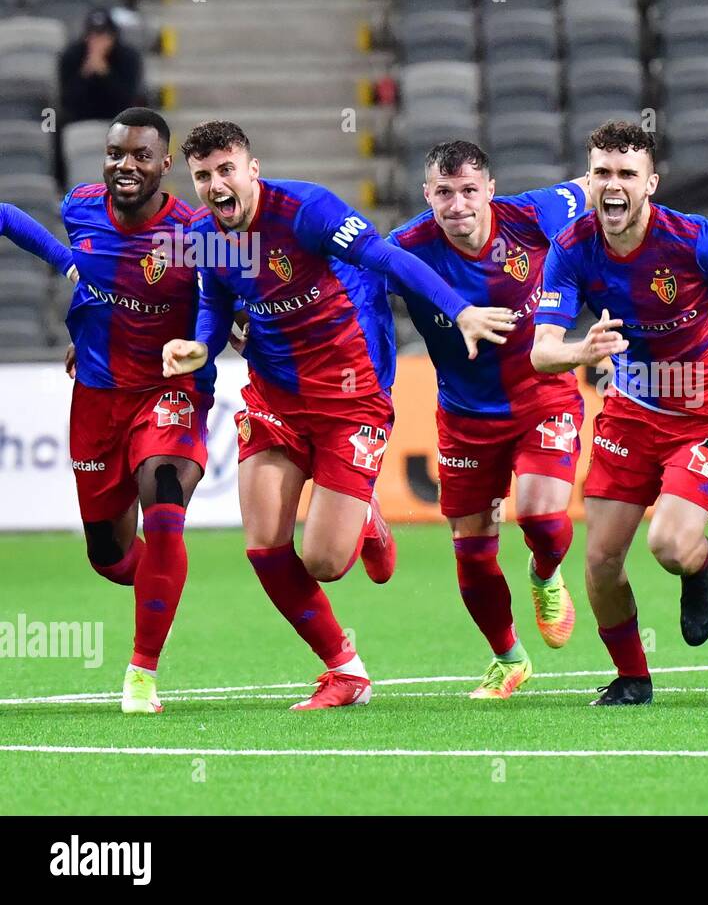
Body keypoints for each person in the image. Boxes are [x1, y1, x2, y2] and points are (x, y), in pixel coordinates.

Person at [161, 121, 516, 710]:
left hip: (351, 394)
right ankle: (344, 671)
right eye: (203, 176)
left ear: (252, 169)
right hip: (274, 394)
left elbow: (386, 259)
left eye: (227, 170)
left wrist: (459, 311)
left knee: (324, 562)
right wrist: (201, 344)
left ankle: (368, 519)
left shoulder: (306, 210)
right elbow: (216, 300)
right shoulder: (204, 235)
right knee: (263, 546)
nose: (216, 184)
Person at [532, 120, 708, 706]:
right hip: (630, 409)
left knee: (671, 547)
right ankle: (633, 678)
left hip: (707, 411)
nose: (613, 184)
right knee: (600, 562)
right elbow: (541, 349)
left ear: (650, 183)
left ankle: (699, 566)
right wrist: (583, 351)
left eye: (627, 173)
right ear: (589, 180)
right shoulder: (572, 249)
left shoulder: (694, 239)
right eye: (602, 172)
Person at [4, 108, 209, 714]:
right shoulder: (80, 207)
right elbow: (11, 217)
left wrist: (233, 329)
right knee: (111, 560)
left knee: (164, 496)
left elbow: (225, 296)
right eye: (117, 153)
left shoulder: (195, 233)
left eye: (141, 156)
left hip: (171, 391)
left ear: (164, 165)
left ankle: (141, 674)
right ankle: (159, 581)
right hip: (97, 396)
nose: (127, 165)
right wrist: (75, 276)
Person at [388, 140, 589, 699]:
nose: (457, 206)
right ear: (427, 194)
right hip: (465, 416)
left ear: (490, 191)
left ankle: (545, 574)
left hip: (541, 395)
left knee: (542, 519)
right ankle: (508, 658)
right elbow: (340, 283)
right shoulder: (404, 249)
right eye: (444, 193)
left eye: (469, 191)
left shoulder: (534, 214)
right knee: (471, 548)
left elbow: (602, 185)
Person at [58, 8, 144, 125]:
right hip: (80, 117)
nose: (98, 41)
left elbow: (127, 99)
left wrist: (106, 73)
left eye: (103, 36)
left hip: (117, 117)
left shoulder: (128, 57)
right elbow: (67, 100)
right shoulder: (72, 55)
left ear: (113, 37)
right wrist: (85, 74)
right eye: (93, 36)